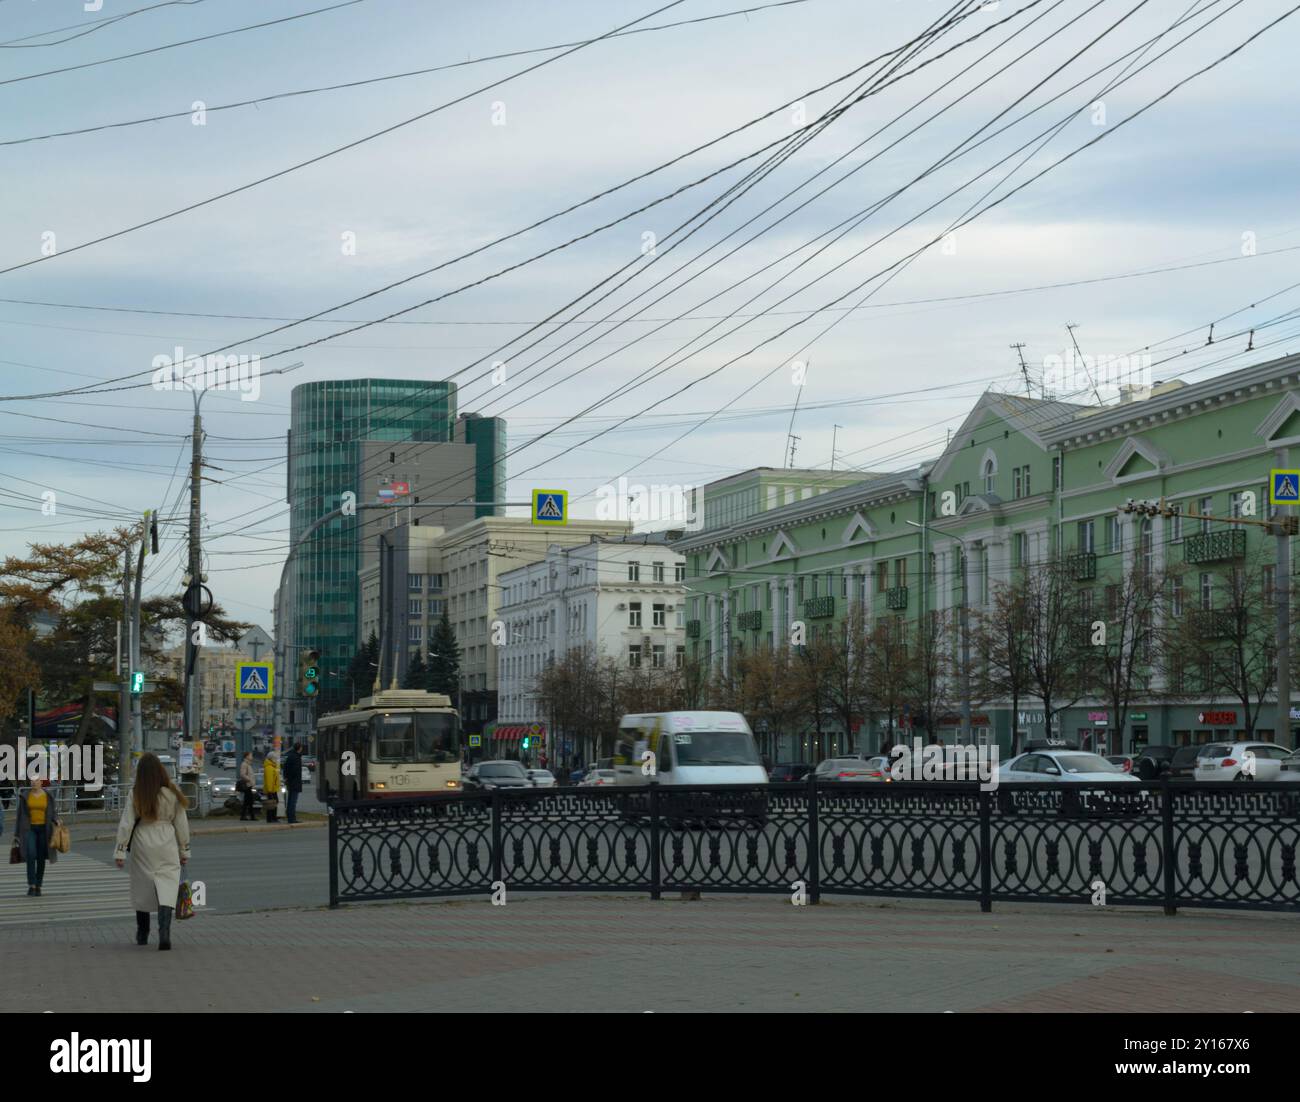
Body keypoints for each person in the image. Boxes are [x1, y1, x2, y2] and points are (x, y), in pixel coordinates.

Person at [114, 752, 190, 950]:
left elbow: (126, 823)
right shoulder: (172, 792)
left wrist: (120, 851)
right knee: (167, 886)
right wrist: (184, 850)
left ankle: (142, 932)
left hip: (143, 840)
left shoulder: (136, 793)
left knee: (142, 887)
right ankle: (164, 931)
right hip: (166, 840)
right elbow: (181, 823)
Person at [13, 778, 59, 896]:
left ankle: (38, 885)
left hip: (44, 830)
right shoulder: (25, 796)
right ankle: (31, 885)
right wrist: (16, 834)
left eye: (36, 780)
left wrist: (57, 820)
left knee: (40, 857)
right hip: (29, 829)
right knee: (31, 854)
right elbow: (20, 815)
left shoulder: (48, 795)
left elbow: (52, 811)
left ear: (41, 782)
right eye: (32, 781)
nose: (33, 783)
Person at [282, 742, 303, 824]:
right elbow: (295, 771)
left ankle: (290, 817)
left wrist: (287, 778)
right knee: (293, 801)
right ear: (300, 748)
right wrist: (294, 779)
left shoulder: (290, 756)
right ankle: (292, 818)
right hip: (295, 782)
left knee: (290, 800)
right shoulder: (296, 758)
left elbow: (285, 768)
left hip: (290, 782)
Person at [263, 750, 281, 823]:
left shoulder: (272, 767)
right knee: (272, 804)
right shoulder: (269, 768)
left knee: (273, 803)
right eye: (275, 758)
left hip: (274, 789)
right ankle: (272, 818)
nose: (276, 760)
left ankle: (272, 818)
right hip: (271, 790)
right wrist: (270, 790)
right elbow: (269, 780)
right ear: (272, 759)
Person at [237, 751, 256, 821]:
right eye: (251, 755)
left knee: (248, 802)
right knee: (249, 801)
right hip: (247, 785)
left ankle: (245, 816)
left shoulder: (248, 764)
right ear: (247, 756)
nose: (252, 757)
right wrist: (249, 780)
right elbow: (242, 774)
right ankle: (250, 816)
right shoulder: (244, 764)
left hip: (249, 785)